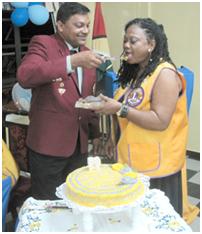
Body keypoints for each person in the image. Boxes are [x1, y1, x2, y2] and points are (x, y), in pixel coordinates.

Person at [88, 18, 188, 216]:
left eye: (133, 41)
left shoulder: (165, 74)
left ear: (151, 45)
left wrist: (119, 108)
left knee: (156, 221)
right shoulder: (138, 71)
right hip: (133, 160)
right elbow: (130, 109)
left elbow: (160, 121)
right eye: (125, 40)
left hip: (158, 167)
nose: (126, 45)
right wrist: (113, 134)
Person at [17, 2, 105, 200]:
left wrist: (95, 134)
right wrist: (71, 62)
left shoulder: (88, 53)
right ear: (61, 25)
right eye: (79, 25)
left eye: (87, 25)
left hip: (79, 146)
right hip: (49, 147)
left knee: (75, 201)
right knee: (48, 206)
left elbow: (84, 98)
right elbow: (25, 76)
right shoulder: (43, 43)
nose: (85, 31)